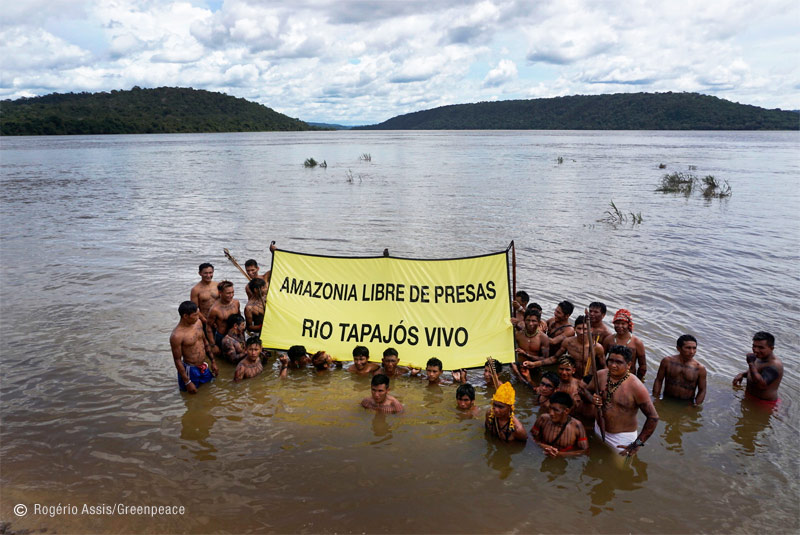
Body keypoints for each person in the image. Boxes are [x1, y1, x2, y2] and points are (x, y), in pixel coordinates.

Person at [589, 345, 659, 456]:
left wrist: (637, 444)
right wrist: (592, 398)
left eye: (618, 362)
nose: (613, 365)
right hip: (599, 428)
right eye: (610, 360)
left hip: (621, 439)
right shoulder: (601, 375)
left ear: (629, 365)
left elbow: (653, 418)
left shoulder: (636, 387)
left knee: (621, 466)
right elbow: (585, 391)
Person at [526, 315, 604, 378]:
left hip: (587, 379)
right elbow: (554, 358)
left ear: (591, 330)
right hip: (570, 377)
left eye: (585, 329)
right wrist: (534, 364)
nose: (581, 332)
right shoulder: (568, 342)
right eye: (579, 328)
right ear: (574, 329)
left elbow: (604, 368)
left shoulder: (597, 347)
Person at [169, 301, 218, 393]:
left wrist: (213, 362)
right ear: (185, 316)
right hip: (190, 369)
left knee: (209, 388)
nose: (198, 317)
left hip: (203, 366)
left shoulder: (198, 323)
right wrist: (187, 382)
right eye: (195, 315)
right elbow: (177, 360)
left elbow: (205, 343)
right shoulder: (177, 336)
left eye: (198, 313)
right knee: (190, 394)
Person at [653, 334, 707, 406]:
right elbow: (659, 380)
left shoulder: (700, 369)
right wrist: (656, 398)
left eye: (694, 348)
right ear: (678, 348)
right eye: (688, 348)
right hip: (666, 398)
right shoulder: (667, 362)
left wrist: (695, 406)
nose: (692, 351)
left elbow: (702, 390)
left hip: (686, 403)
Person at [531, 392, 589, 457]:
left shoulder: (577, 426)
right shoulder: (543, 419)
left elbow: (584, 451)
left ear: (566, 411)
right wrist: (542, 446)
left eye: (555, 410)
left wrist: (559, 454)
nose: (551, 413)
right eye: (550, 408)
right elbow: (530, 437)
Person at [733, 331, 783, 405]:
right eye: (754, 346)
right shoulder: (760, 357)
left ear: (771, 348)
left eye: (761, 347)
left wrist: (751, 363)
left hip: (764, 404)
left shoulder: (774, 365)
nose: (756, 350)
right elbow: (755, 372)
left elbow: (761, 385)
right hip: (750, 398)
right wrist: (742, 374)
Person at [602, 309, 647, 381]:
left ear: (629, 325)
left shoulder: (637, 343)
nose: (620, 326)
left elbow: (643, 366)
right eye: (617, 323)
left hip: (629, 378)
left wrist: (638, 380)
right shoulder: (609, 340)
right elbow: (602, 359)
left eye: (623, 324)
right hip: (610, 376)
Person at [206, 280, 241, 356]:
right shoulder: (215, 309)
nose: (231, 295)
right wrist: (213, 345)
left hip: (235, 335)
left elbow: (240, 320)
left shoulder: (236, 303)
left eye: (232, 292)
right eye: (228, 293)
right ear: (220, 293)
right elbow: (208, 327)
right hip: (222, 337)